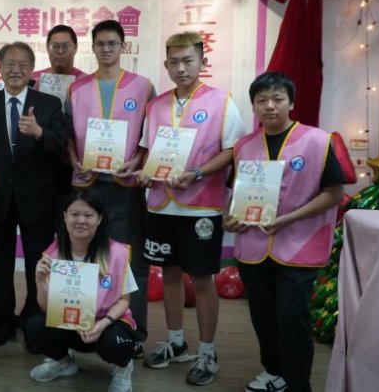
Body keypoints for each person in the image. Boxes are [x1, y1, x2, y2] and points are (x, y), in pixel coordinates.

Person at [136, 31, 245, 385]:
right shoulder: (155, 105)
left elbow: (233, 150)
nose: (181, 68)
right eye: (174, 62)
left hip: (202, 207)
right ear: (166, 64)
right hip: (160, 205)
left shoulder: (222, 101)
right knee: (168, 275)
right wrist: (143, 172)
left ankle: (208, 350)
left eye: (188, 61)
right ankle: (176, 342)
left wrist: (197, 172)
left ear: (202, 62)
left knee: (201, 279)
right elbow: (149, 151)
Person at [224, 72, 344, 392]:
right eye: (261, 100)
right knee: (263, 317)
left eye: (278, 99)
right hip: (253, 246)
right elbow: (235, 196)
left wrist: (289, 219)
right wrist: (228, 220)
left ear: (291, 103)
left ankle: (298, 384)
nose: (269, 106)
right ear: (253, 106)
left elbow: (334, 193)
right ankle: (274, 372)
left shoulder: (318, 140)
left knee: (292, 317)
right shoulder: (244, 146)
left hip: (300, 245)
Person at [66, 19, 153, 360]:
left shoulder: (143, 86)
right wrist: (75, 161)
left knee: (130, 261)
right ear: (93, 47)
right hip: (87, 187)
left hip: (124, 186)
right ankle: (82, 328)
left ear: (123, 46)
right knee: (85, 258)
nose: (106, 49)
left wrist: (138, 162)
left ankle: (134, 332)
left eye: (112, 43)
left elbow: (151, 135)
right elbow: (68, 136)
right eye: (100, 43)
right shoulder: (77, 88)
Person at [0, 41, 70, 347]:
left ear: (32, 70)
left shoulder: (49, 104)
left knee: (35, 265)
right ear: (0, 68)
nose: (16, 70)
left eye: (22, 64)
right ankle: (2, 322)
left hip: (37, 197)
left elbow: (61, 144)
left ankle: (32, 320)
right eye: (10, 64)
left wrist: (39, 133)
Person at [26, 190, 137, 392]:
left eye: (88, 215)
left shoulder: (117, 253)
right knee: (35, 327)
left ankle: (123, 367)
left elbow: (124, 300)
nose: (81, 221)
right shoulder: (53, 254)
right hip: (71, 323)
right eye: (75, 214)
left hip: (106, 324)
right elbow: (47, 308)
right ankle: (63, 362)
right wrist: (40, 280)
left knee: (117, 344)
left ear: (99, 219)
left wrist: (102, 324)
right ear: (65, 216)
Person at [32, 24, 88, 214]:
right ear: (47, 48)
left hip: (76, 160)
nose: (60, 51)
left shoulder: (87, 82)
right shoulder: (34, 81)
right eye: (55, 46)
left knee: (73, 212)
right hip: (42, 156)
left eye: (66, 46)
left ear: (75, 48)